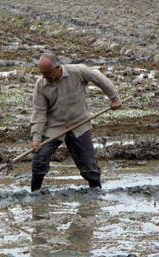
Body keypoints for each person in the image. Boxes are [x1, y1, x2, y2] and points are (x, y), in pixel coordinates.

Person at [30, 53, 122, 191]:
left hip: (79, 125)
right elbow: (39, 112)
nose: (44, 77)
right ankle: (35, 195)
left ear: (57, 68)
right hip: (54, 127)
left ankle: (96, 195)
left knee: (89, 167)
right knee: (39, 161)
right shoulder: (41, 84)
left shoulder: (78, 71)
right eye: (42, 73)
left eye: (47, 73)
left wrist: (114, 98)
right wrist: (36, 138)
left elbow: (99, 78)